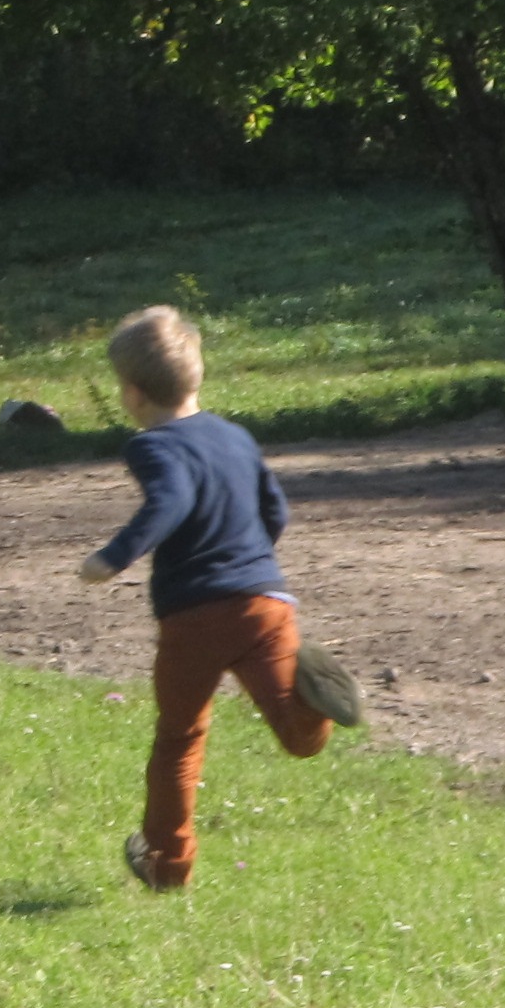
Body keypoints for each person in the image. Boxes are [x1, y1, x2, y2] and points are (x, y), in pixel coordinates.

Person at [72, 305, 365, 888]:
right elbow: (274, 510)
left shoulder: (152, 447)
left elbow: (170, 502)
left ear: (131, 395)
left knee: (180, 739)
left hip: (196, 614)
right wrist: (250, 560)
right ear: (196, 375)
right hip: (265, 599)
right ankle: (315, 709)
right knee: (295, 734)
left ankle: (167, 865)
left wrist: (114, 557)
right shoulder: (235, 436)